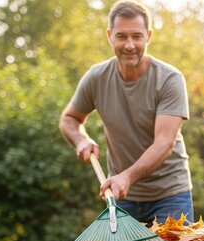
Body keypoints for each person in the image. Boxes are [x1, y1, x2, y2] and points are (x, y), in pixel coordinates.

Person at [59, 0, 193, 226]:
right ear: (109, 36)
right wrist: (81, 140)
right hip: (123, 196)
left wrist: (126, 176)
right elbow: (69, 119)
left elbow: (164, 142)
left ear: (148, 36)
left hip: (170, 195)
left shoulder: (169, 79)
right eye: (122, 36)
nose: (129, 44)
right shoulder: (97, 78)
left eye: (137, 36)